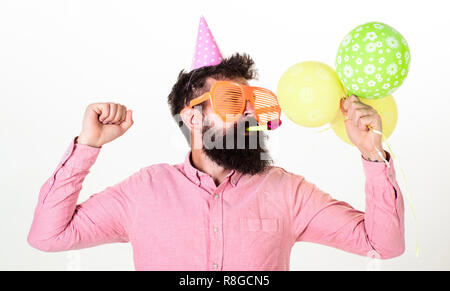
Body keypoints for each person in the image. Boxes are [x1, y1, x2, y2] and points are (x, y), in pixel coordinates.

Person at [27, 18, 405, 271]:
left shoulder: (289, 192)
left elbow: (382, 245)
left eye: (253, 103)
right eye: (230, 102)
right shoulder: (144, 191)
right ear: (191, 117)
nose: (249, 115)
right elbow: (48, 236)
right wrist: (87, 147)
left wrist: (371, 152)